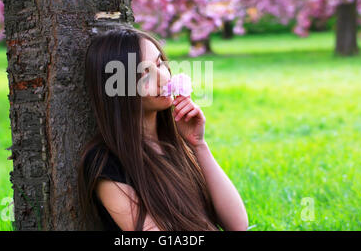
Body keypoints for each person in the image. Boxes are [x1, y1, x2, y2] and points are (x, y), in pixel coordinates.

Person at [77, 26, 248, 231]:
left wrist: (199, 145)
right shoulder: (106, 162)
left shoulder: (175, 141)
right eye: (144, 73)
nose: (164, 78)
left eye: (159, 64)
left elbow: (237, 224)